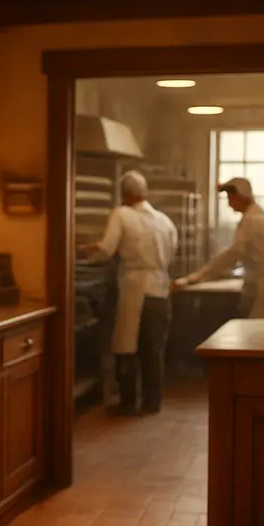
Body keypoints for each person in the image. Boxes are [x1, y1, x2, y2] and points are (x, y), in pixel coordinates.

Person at [80, 170, 178, 416]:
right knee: (153, 349)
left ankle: (127, 402)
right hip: (160, 288)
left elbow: (106, 250)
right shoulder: (164, 220)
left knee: (127, 347)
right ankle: (152, 402)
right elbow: (171, 253)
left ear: (124, 194)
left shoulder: (121, 214)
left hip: (134, 287)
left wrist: (85, 250)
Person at [172, 177, 264, 318]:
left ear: (241, 196)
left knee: (259, 332)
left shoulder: (252, 220)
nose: (229, 204)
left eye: (230, 198)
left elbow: (233, 253)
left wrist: (194, 277)